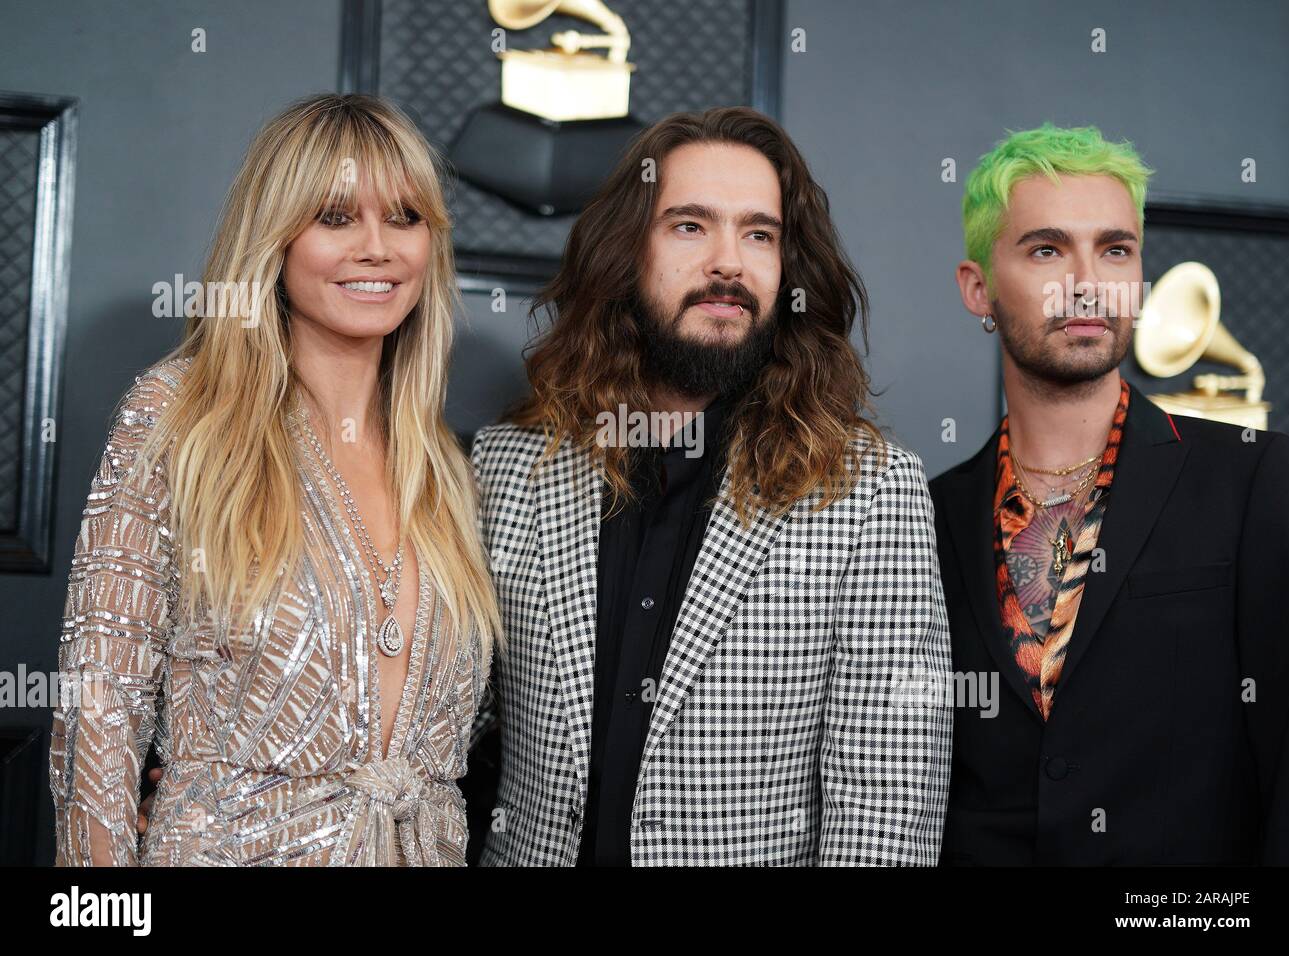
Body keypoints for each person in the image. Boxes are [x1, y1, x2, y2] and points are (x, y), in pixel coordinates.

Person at [472, 106, 952, 866]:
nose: (729, 262)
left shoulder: (871, 491)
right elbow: (449, 723)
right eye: (691, 227)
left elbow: (886, 807)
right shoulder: (508, 466)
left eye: (759, 234)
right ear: (627, 251)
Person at [50, 93, 499, 866]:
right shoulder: (181, 415)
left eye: (403, 218)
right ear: (275, 239)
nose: (376, 248)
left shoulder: (444, 467)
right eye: (334, 218)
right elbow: (101, 704)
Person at [930, 123, 1289, 865]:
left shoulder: (1259, 478)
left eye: (1115, 249)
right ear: (978, 289)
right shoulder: (925, 515)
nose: (1088, 280)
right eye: (1046, 249)